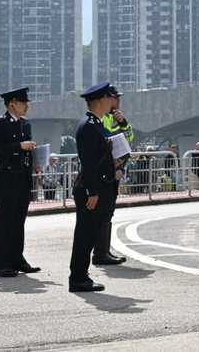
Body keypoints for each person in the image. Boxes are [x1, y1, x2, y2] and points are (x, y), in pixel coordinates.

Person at [0, 86, 40, 278]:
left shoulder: (25, 124)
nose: (26, 106)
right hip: (6, 177)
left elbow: (26, 150)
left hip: (22, 177)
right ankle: (1, 264)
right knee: (4, 221)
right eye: (23, 103)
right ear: (12, 104)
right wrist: (19, 146)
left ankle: (17, 259)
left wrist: (36, 162)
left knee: (18, 220)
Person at [69, 82, 116, 292]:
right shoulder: (89, 126)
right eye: (109, 97)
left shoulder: (97, 123)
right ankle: (78, 278)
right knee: (85, 235)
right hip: (90, 189)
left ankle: (81, 276)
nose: (112, 101)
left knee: (89, 234)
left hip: (98, 186)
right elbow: (88, 162)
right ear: (101, 100)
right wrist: (92, 191)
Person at [92, 85, 129, 266]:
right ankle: (100, 252)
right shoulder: (103, 118)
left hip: (115, 169)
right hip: (106, 170)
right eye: (115, 97)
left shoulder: (117, 117)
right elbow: (108, 140)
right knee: (103, 213)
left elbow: (129, 138)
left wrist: (123, 123)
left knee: (108, 213)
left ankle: (104, 250)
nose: (118, 101)